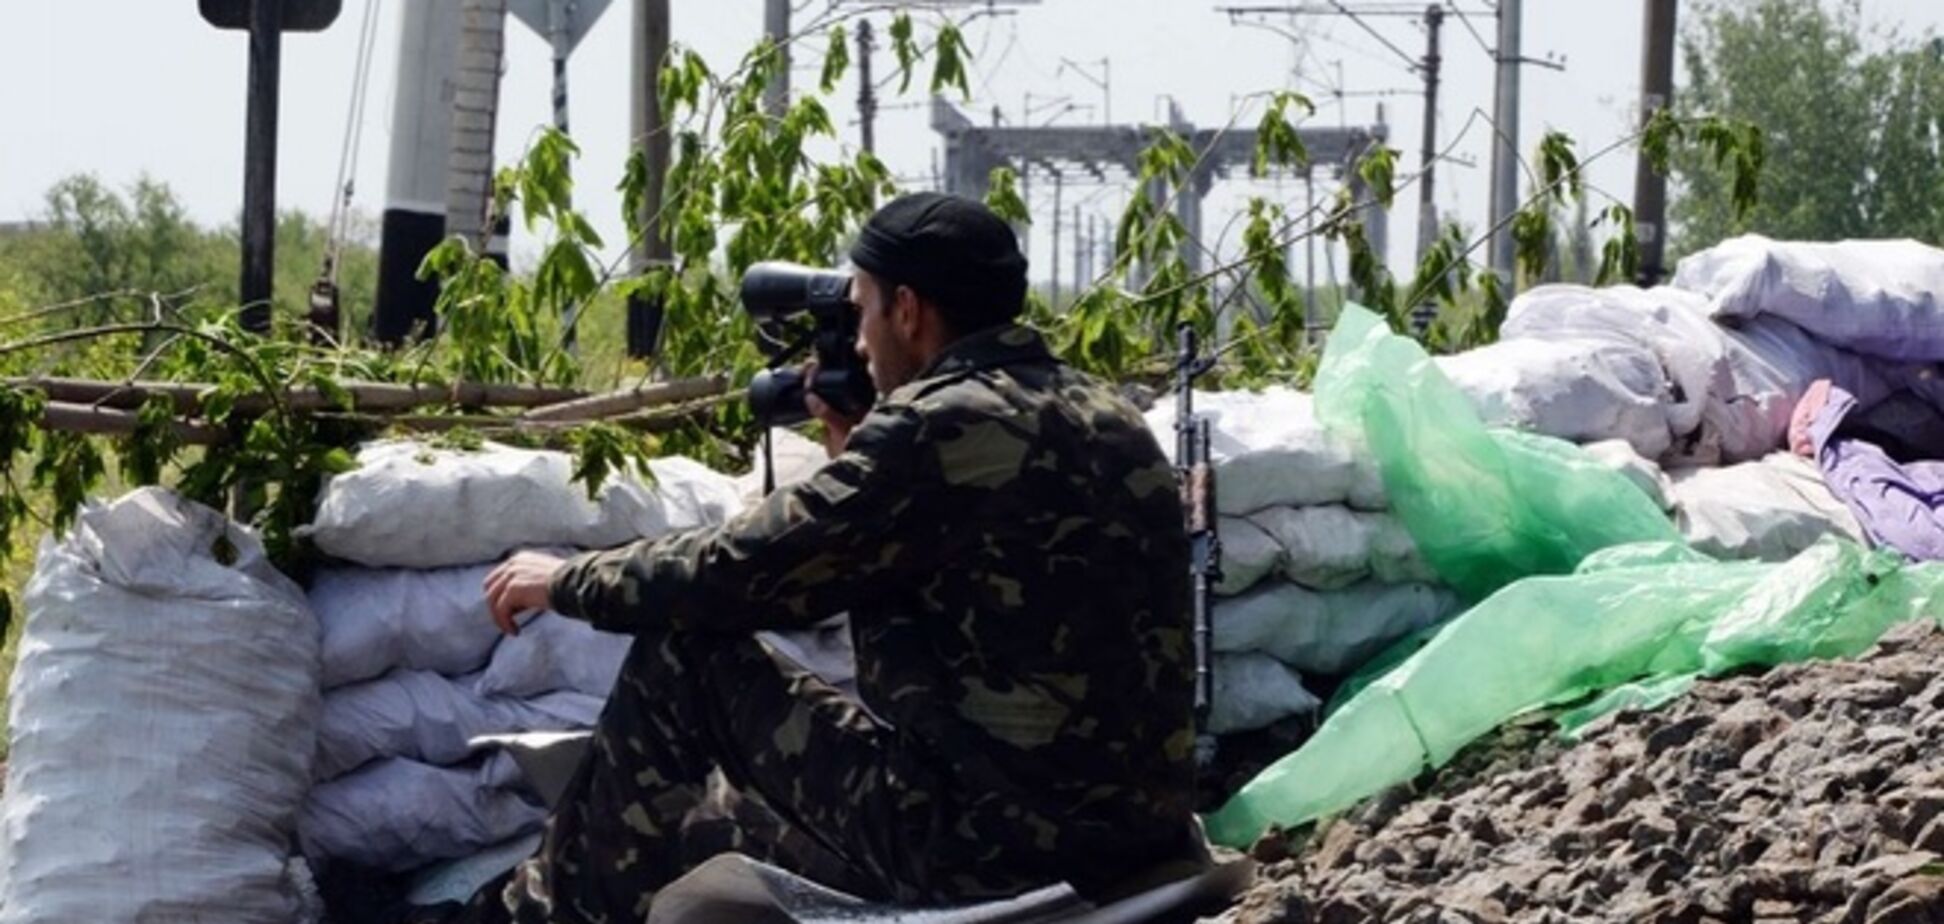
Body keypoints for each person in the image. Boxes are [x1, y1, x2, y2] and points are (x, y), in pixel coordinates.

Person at [448, 192, 1199, 923]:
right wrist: (855, 453)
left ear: (908, 310)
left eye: (864, 310)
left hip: (988, 847)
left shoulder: (937, 426)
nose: (861, 341)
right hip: (1134, 839)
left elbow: (738, 571)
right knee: (721, 825)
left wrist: (566, 580)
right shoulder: (1109, 413)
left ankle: (537, 916)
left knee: (687, 659)